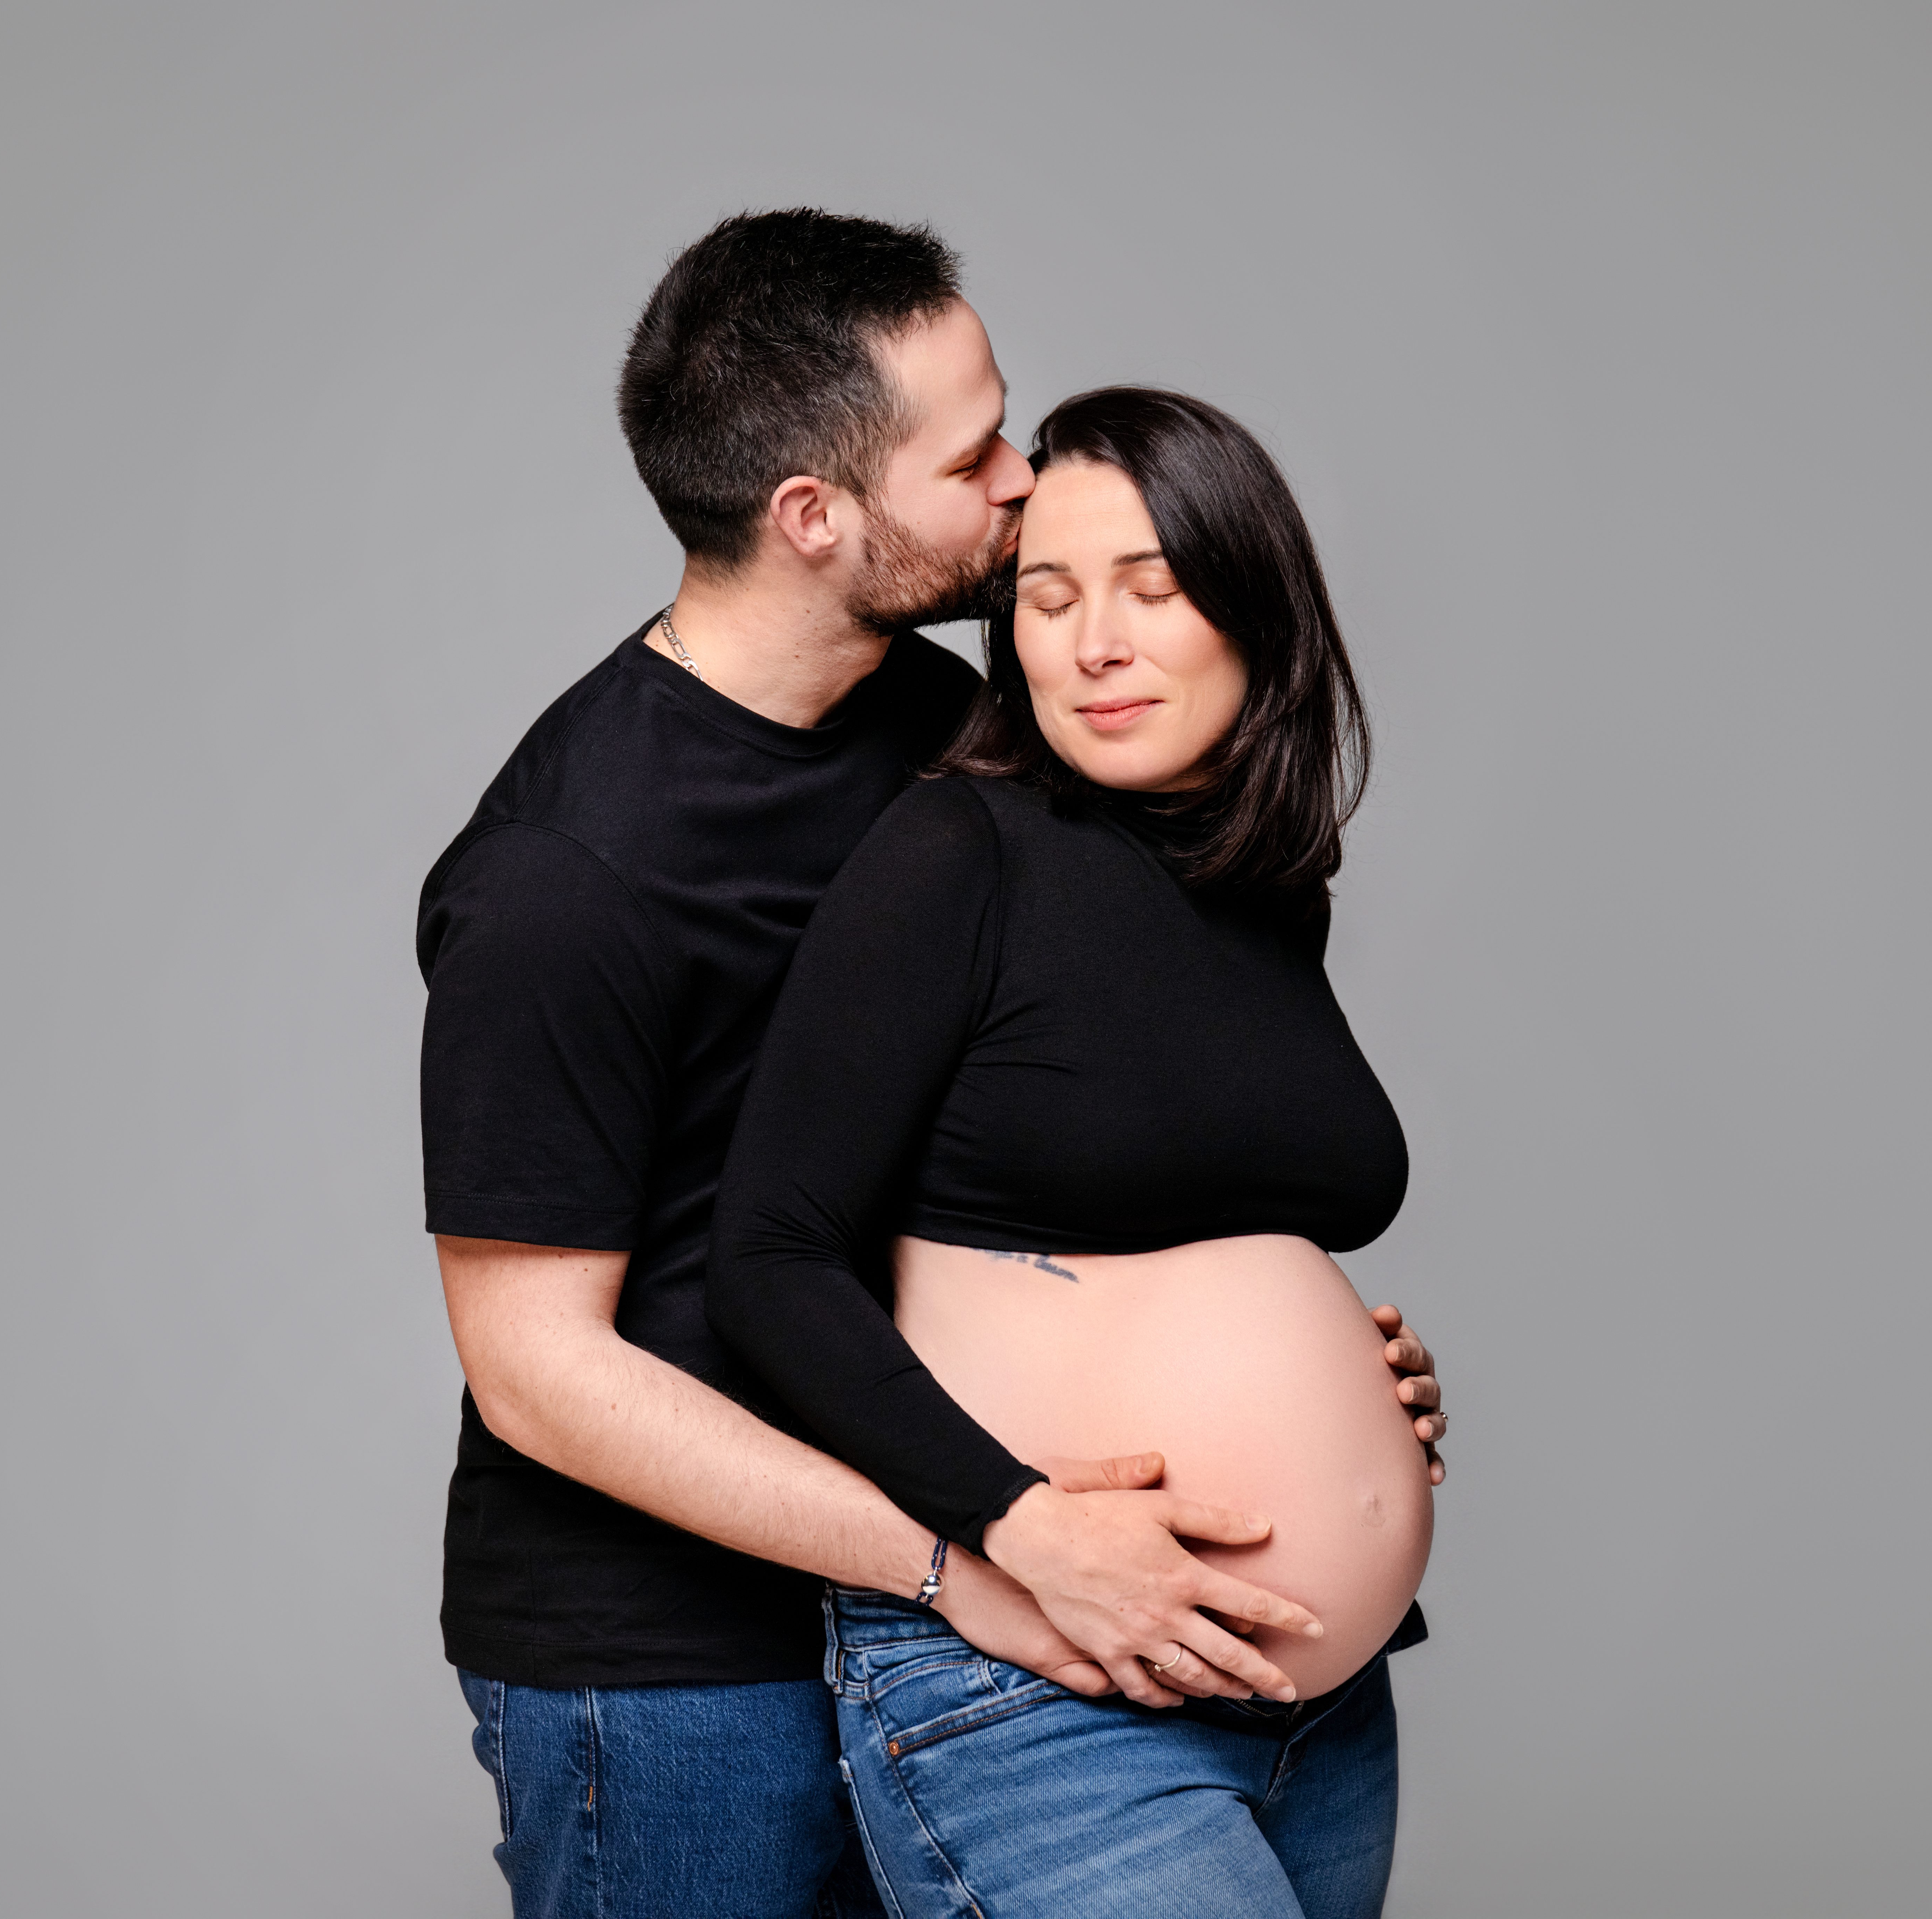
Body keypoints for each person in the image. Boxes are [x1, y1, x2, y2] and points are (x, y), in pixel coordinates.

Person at [416, 211, 1447, 1918]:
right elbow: (539, 1370)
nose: (1027, 478)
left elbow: (1051, 1139)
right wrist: (964, 1547)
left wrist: (1292, 1353)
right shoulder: (566, 872)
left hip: (1011, 1583)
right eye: (975, 456)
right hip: (683, 1657)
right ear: (815, 518)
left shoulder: (953, 732)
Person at [708, 386, 1433, 1919]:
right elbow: (768, 1260)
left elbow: (1185, 1221)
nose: (1092, 641)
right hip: (1048, 1680)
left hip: (1318, 1719)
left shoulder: (1263, 882)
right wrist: (1024, 1522)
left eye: (1152, 588)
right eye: (1047, 593)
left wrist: (1353, 1380)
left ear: (1258, 612)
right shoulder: (953, 854)